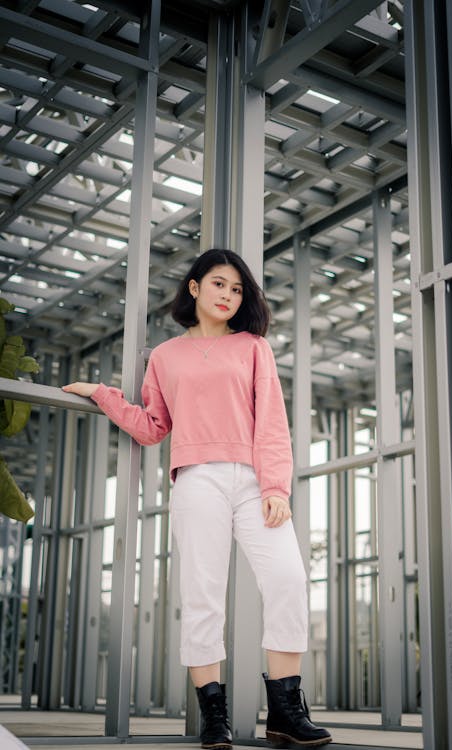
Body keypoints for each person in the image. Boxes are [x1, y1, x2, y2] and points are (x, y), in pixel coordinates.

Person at [63, 248, 331, 749]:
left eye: (236, 289)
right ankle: (215, 717)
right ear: (194, 287)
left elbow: (272, 422)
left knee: (289, 580)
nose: (228, 295)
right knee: (202, 595)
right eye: (219, 285)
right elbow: (153, 427)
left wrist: (275, 486)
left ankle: (285, 711)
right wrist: (103, 395)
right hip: (197, 479)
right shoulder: (165, 357)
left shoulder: (254, 347)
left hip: (253, 480)